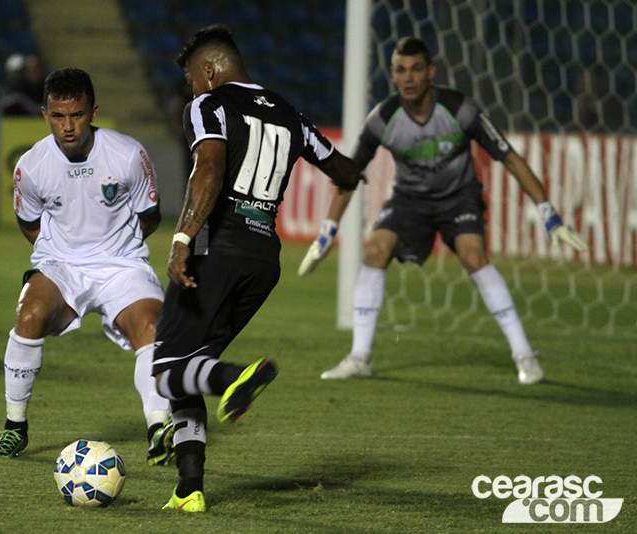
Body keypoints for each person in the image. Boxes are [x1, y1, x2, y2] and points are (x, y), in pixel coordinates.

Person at [147, 25, 363, 512]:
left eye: (191, 81)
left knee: (165, 372)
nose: (192, 90)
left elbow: (209, 168)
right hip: (264, 258)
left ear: (208, 70)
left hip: (215, 250)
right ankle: (189, 488)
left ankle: (234, 377)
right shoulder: (290, 114)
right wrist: (353, 179)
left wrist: (182, 240)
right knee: (192, 365)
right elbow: (344, 171)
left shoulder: (210, 105)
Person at [299, 37, 588, 385]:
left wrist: (547, 212)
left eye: (416, 69)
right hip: (410, 201)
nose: (408, 78)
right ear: (392, 74)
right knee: (375, 249)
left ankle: (525, 355)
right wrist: (328, 231)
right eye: (401, 70)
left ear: (431, 72)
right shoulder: (383, 118)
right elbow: (349, 174)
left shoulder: (460, 109)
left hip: (458, 198)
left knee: (473, 256)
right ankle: (360, 357)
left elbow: (510, 158)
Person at [0, 68, 175, 466]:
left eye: (77, 115)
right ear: (45, 114)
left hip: (121, 265)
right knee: (29, 314)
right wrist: (63, 253)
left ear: (93, 112)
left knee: (152, 328)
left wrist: (115, 247)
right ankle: (14, 428)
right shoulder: (31, 165)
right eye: (58, 116)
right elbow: (30, 225)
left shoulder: (127, 154)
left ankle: (159, 427)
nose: (67, 126)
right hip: (63, 265)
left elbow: (150, 216)